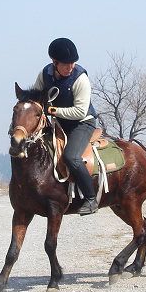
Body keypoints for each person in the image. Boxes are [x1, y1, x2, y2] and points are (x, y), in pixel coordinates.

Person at [32, 37, 98, 215]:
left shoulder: (80, 79)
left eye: (72, 63)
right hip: (58, 124)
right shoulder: (44, 74)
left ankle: (91, 199)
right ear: (54, 62)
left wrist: (53, 111)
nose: (70, 67)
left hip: (82, 124)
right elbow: (36, 96)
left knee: (71, 157)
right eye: (66, 64)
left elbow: (80, 112)